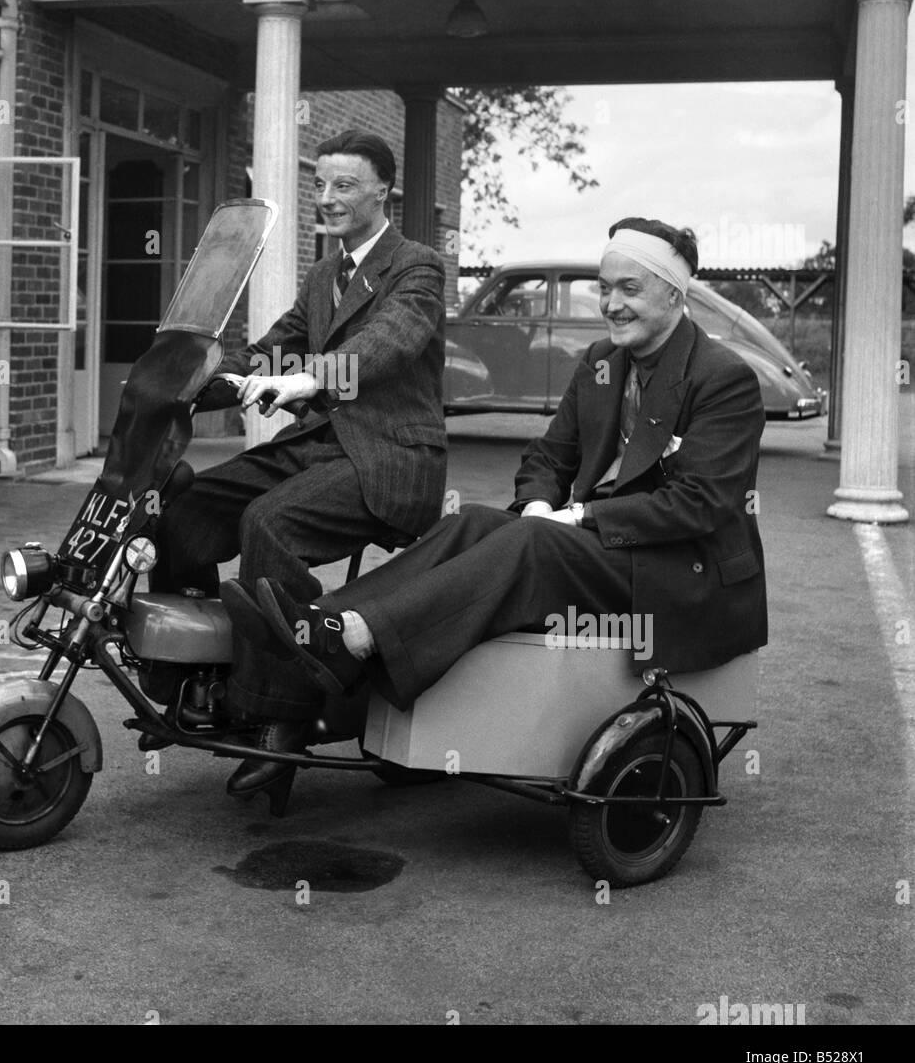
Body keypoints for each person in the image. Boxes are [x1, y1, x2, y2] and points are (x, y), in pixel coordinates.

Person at [224, 216, 768, 803]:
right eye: (606, 288)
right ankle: (325, 624)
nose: (611, 304)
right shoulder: (601, 362)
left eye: (629, 290)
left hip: (680, 571)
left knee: (533, 542)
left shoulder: (724, 379)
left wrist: (576, 519)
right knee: (473, 522)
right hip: (604, 550)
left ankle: (354, 637)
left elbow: (701, 506)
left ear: (674, 293)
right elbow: (549, 457)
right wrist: (538, 500)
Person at [150, 129, 448, 792]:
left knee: (269, 523)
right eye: (320, 183)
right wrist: (186, 384)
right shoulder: (323, 274)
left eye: (343, 184)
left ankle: (285, 712)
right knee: (185, 503)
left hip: (391, 459)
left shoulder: (416, 267)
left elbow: (388, 344)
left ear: (382, 191)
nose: (327, 197)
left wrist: (310, 379)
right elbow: (272, 350)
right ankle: (194, 674)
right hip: (321, 446)